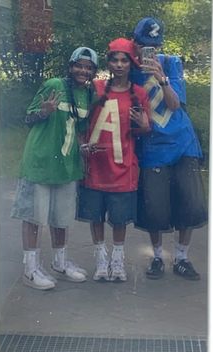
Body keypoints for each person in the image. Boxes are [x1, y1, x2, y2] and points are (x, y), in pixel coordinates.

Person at [11, 47, 99, 290]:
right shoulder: (54, 85)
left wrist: (83, 148)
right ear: (70, 67)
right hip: (40, 161)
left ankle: (60, 263)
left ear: (93, 71)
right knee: (34, 216)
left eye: (88, 67)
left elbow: (78, 129)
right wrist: (44, 111)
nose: (83, 70)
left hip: (67, 165)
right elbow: (28, 118)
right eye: (79, 65)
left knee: (61, 217)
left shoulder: (87, 94)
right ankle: (30, 269)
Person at [131, 17, 208, 280]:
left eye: (155, 45)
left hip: (183, 142)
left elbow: (175, 104)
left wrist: (161, 79)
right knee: (155, 206)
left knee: (189, 202)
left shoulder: (171, 63)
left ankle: (183, 258)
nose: (149, 50)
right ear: (135, 43)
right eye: (144, 45)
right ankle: (157, 257)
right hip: (153, 145)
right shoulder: (129, 69)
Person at [76, 38, 150, 282]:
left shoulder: (138, 94)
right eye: (114, 60)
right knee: (95, 214)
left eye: (124, 60)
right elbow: (79, 118)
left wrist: (144, 126)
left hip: (122, 165)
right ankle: (100, 256)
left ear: (131, 64)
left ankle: (117, 258)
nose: (119, 65)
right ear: (107, 62)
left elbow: (142, 130)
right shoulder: (94, 88)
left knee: (119, 217)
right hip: (95, 165)